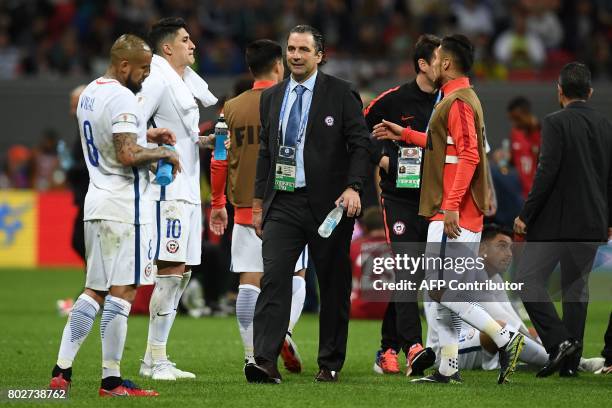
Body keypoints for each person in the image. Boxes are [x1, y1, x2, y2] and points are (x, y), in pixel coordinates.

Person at [373, 34, 525, 385]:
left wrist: (452, 206)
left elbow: (470, 155)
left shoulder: (457, 101)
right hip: (455, 211)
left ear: (445, 63)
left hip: (452, 212)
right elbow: (446, 147)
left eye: (438, 54)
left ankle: (505, 339)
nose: (435, 59)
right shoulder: (460, 97)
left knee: (443, 291)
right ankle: (447, 368)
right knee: (441, 295)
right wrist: (406, 134)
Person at [48, 34, 180, 397]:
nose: (146, 76)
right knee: (123, 292)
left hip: (97, 202)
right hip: (127, 209)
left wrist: (146, 133)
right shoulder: (123, 96)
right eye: (143, 69)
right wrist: (162, 153)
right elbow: (125, 154)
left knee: (94, 290)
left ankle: (61, 371)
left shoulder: (91, 90)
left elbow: (111, 136)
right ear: (125, 66)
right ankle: (111, 381)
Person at [246, 25, 371, 384]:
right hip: (282, 202)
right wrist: (258, 204)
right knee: (274, 278)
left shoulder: (342, 93)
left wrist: (354, 187)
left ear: (320, 55)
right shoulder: (271, 97)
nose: (296, 55)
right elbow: (267, 153)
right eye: (291, 49)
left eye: (303, 49)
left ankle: (329, 362)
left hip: (330, 205)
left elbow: (360, 145)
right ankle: (264, 361)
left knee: (332, 284)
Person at [209, 39, 308, 372]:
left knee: (249, 281)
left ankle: (252, 355)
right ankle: (283, 333)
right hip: (285, 205)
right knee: (296, 274)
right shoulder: (288, 104)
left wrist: (217, 201)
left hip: (243, 209)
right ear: (279, 65)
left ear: (250, 68)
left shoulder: (230, 108)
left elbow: (219, 159)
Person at [513, 62, 612, 378]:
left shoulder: (555, 122)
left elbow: (547, 172)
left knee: (527, 279)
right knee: (575, 287)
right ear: (590, 92)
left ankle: (559, 343)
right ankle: (569, 364)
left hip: (556, 223)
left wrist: (526, 214)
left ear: (559, 91)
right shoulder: (605, 124)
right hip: (593, 222)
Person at [137, 17, 218, 381]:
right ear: (167, 47)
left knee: (181, 272)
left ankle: (158, 359)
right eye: (186, 40)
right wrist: (152, 135)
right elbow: (131, 124)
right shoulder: (155, 78)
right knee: (170, 272)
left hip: (186, 191)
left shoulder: (182, 82)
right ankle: (154, 361)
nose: (193, 45)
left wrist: (200, 143)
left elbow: (178, 134)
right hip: (166, 191)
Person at [363, 34, 440, 377]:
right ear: (423, 64)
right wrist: (381, 158)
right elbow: (358, 129)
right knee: (408, 269)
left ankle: (387, 348)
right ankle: (414, 347)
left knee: (416, 275)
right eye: (441, 60)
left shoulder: (449, 101)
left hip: (435, 201)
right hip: (400, 198)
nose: (447, 65)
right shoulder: (393, 100)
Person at [506, 96, 541, 198]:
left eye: (516, 118)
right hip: (519, 194)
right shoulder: (515, 133)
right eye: (511, 119)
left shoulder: (543, 132)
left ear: (525, 113)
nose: (514, 122)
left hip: (537, 194)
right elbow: (512, 160)